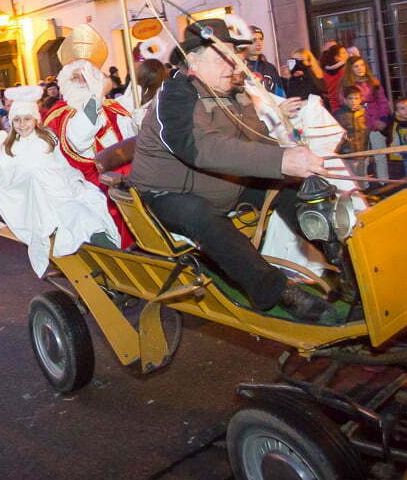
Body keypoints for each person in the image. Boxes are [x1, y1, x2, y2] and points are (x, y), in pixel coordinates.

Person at [128, 19, 335, 322]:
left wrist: (290, 160)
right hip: (166, 193)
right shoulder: (174, 96)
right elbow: (199, 147)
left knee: (294, 188)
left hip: (223, 184)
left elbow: (257, 138)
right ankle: (277, 291)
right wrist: (280, 160)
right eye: (221, 58)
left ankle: (340, 260)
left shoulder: (236, 93)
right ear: (193, 61)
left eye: (232, 56)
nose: (232, 64)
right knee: (199, 213)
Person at [0, 86, 120, 274]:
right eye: (17, 120)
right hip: (41, 204)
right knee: (82, 220)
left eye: (27, 119)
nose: (22, 124)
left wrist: (76, 182)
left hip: (65, 192)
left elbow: (64, 166)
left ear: (35, 119)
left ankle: (112, 264)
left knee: (94, 214)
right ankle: (115, 267)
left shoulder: (48, 138)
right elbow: (4, 182)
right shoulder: (9, 148)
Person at [42, 26, 138, 247]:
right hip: (89, 184)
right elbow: (80, 138)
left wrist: (139, 120)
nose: (81, 81)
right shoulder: (61, 115)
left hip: (130, 173)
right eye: (75, 76)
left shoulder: (113, 107)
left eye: (86, 75)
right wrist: (97, 95)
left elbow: (132, 135)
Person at [334, 86, 372, 182]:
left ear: (360, 99)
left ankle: (364, 190)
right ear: (345, 100)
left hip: (362, 151)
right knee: (351, 178)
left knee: (362, 176)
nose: (353, 101)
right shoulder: (338, 114)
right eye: (350, 98)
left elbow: (368, 132)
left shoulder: (364, 112)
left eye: (356, 98)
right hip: (347, 152)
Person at [241, 25, 285, 96]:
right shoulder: (238, 67)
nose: (259, 43)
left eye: (261, 39)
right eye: (254, 40)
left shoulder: (270, 68)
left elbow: (281, 95)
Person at [319, 44, 350, 111]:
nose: (347, 55)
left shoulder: (325, 71)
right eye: (343, 53)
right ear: (336, 57)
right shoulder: (345, 69)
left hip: (333, 104)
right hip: (346, 103)